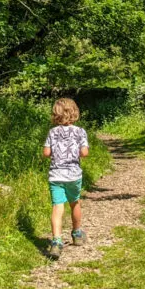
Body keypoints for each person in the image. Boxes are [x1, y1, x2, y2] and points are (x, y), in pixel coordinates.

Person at [42, 97, 90, 259]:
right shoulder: (80, 132)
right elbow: (84, 153)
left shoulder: (52, 132)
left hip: (56, 175)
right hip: (73, 175)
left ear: (55, 114)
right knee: (74, 202)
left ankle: (56, 241)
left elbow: (46, 153)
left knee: (58, 206)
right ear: (74, 113)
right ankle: (76, 233)